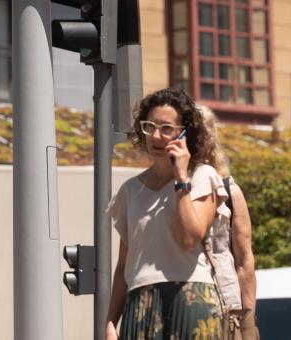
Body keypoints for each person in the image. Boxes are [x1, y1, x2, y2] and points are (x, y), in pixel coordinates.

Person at [105, 88, 227, 340]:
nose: (156, 136)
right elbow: (123, 266)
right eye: (149, 126)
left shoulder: (203, 176)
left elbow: (189, 238)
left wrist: (181, 180)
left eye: (166, 128)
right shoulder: (130, 190)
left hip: (191, 296)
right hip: (140, 302)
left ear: (184, 132)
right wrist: (110, 321)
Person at [199, 104, 259, 340]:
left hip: (225, 306)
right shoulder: (165, 190)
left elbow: (245, 263)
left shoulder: (229, 191)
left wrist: (248, 324)